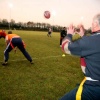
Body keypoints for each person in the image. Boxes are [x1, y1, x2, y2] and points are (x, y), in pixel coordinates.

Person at [60, 13, 100, 100]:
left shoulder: (90, 41)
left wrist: (69, 34)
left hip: (93, 88)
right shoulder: (92, 41)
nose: (91, 25)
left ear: (96, 24)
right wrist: (83, 36)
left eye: (92, 24)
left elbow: (65, 47)